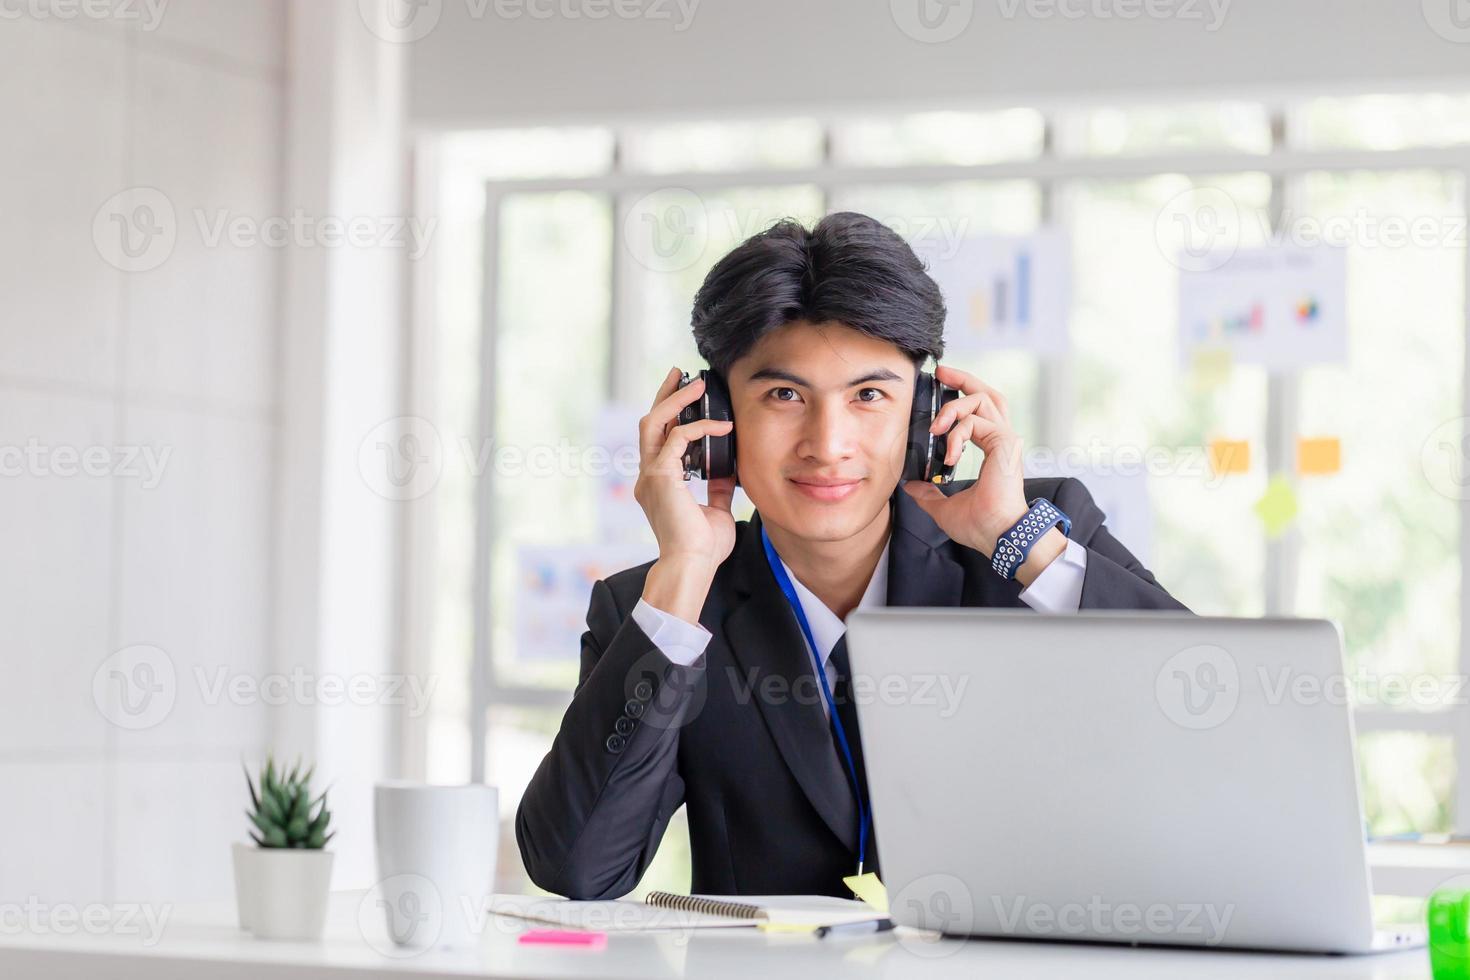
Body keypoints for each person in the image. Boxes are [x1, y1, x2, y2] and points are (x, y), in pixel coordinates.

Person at [516, 212, 1190, 900]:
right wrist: (684, 572)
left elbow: (1202, 725)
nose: (827, 443)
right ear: (711, 419)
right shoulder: (662, 609)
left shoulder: (1035, 539)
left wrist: (1015, 540)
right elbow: (578, 867)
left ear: (926, 413)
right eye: (783, 395)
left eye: (869, 395)